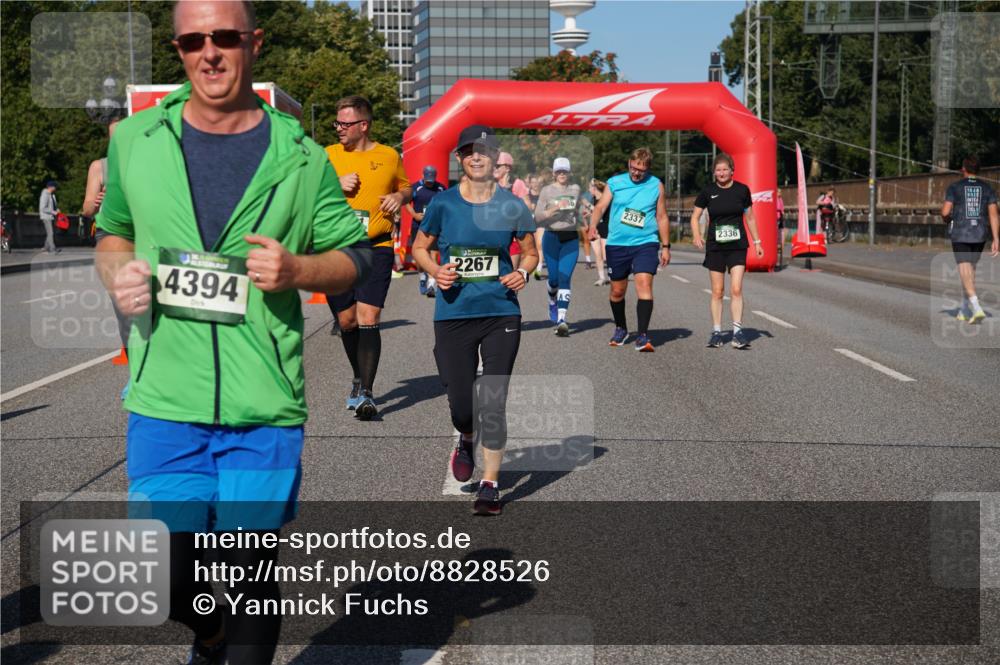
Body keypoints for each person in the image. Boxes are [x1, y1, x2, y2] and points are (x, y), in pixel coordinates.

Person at [94, 2, 372, 663]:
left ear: (253, 41)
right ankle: (208, 632)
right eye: (194, 39)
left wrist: (298, 268)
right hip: (165, 399)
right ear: (179, 47)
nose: (209, 52)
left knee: (250, 569)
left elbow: (356, 257)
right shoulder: (135, 141)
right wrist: (117, 271)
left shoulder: (301, 155)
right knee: (164, 573)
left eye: (224, 36)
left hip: (262, 407)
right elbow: (112, 231)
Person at [412, 125, 537, 515]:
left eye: (483, 151)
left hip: (500, 310)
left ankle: (490, 484)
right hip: (453, 312)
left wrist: (525, 273)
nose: (476, 157)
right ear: (460, 160)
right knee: (462, 402)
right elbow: (419, 247)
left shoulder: (513, 206)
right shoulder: (443, 204)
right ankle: (466, 437)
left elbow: (531, 252)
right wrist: (436, 269)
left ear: (495, 158)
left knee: (494, 399)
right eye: (469, 152)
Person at [325, 95, 412, 419]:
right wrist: (334, 183)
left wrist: (397, 196)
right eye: (337, 123)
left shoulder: (389, 156)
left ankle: (367, 393)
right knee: (346, 321)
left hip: (376, 246)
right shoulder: (327, 156)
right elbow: (302, 189)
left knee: (368, 318)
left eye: (345, 124)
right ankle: (358, 375)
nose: (339, 129)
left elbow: (407, 187)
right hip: (335, 248)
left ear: (364, 125)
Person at [589, 147, 670, 351]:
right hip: (617, 243)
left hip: (645, 242)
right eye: (633, 168)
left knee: (643, 284)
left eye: (641, 170)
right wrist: (592, 227)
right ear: (629, 164)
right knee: (617, 291)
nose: (636, 173)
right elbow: (600, 207)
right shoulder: (615, 183)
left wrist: (666, 246)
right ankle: (621, 328)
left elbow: (661, 217)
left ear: (648, 169)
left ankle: (642, 335)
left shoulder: (656, 186)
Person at [690, 153, 765, 349]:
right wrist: (697, 234)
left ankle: (737, 332)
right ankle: (716, 332)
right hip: (715, 246)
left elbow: (750, 217)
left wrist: (757, 242)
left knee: (736, 289)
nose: (721, 173)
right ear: (714, 172)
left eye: (725, 169)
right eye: (718, 170)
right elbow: (695, 216)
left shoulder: (742, 190)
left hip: (737, 245)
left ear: (732, 171)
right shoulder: (708, 191)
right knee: (717, 291)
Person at [83, 118, 132, 399]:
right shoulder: (99, 166)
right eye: (114, 134)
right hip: (113, 239)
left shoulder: (146, 159)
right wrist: (95, 202)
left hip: (147, 237)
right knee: (125, 309)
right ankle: (136, 375)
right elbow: (86, 208)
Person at [941, 156, 999, 323]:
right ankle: (965, 309)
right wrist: (996, 238)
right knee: (970, 270)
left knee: (964, 269)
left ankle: (976, 307)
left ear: (963, 169)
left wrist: (947, 219)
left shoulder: (955, 187)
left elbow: (945, 212)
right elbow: (994, 214)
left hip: (961, 233)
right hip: (980, 234)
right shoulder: (987, 188)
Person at [535, 157, 583, 336]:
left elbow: (579, 205)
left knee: (564, 278)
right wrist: (550, 211)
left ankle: (562, 319)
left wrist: (585, 211)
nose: (562, 174)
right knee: (553, 279)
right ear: (554, 173)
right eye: (559, 171)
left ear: (569, 173)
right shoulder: (546, 191)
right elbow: (537, 216)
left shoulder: (576, 189)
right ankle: (552, 301)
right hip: (552, 238)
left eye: (565, 171)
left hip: (570, 239)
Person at [406, 165, 445, 297]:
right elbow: (406, 202)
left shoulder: (440, 188)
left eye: (432, 180)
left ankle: (432, 284)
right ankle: (423, 276)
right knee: (420, 254)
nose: (430, 182)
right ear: (423, 176)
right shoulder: (415, 187)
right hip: (419, 225)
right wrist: (415, 214)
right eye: (427, 180)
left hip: (435, 226)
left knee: (434, 254)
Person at [495, 151, 529, 270]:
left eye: (498, 165)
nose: (494, 168)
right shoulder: (489, 184)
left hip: (512, 238)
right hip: (491, 237)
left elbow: (528, 207)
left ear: (508, 168)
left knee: (511, 278)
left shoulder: (517, 184)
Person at [585, 178, 610, 286]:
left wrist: (588, 206)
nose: (589, 190)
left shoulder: (606, 199)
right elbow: (595, 214)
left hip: (606, 228)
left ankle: (611, 276)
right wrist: (589, 214)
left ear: (594, 188)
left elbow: (600, 211)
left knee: (606, 256)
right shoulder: (593, 200)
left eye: (590, 188)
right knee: (597, 255)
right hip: (595, 229)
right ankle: (601, 277)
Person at [38, 180, 61, 254]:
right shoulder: (45, 194)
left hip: (51, 217)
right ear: (51, 187)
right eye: (55, 187)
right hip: (46, 217)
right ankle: (52, 249)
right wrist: (54, 212)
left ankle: (45, 247)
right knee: (51, 233)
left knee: (50, 233)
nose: (56, 188)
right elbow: (43, 208)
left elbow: (53, 206)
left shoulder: (52, 195)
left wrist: (56, 209)